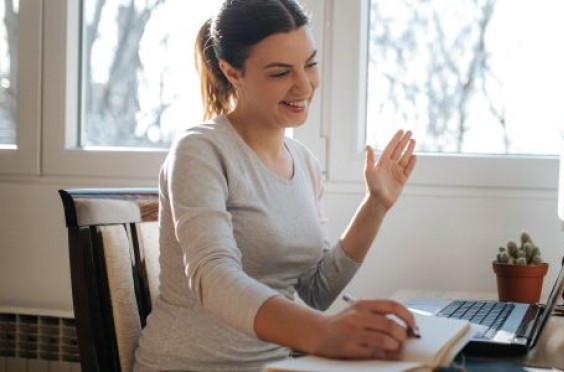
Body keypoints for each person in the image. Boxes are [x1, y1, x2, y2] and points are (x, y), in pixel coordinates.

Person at [133, 0, 418, 370]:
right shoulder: (199, 151)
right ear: (232, 72)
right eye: (281, 72)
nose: (305, 85)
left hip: (277, 364)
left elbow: (317, 290)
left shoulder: (305, 164)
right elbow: (212, 277)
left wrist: (375, 205)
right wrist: (323, 332)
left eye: (310, 64)